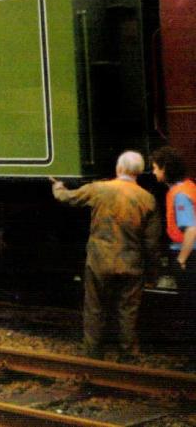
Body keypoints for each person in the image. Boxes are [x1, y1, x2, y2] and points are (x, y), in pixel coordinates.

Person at [50, 151, 160, 359]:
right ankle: (128, 355)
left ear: (119, 169)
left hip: (100, 261)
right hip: (131, 263)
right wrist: (153, 274)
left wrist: (58, 185)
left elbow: (66, 198)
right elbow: (151, 243)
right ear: (139, 172)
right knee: (128, 311)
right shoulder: (148, 200)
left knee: (95, 308)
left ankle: (93, 354)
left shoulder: (99, 189)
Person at [151, 146, 196, 350]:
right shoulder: (189, 186)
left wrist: (181, 259)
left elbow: (191, 230)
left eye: (155, 168)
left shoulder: (179, 195)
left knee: (190, 303)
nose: (153, 172)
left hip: (188, 252)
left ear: (165, 168)